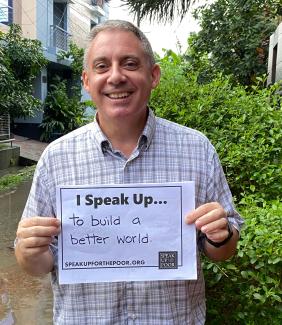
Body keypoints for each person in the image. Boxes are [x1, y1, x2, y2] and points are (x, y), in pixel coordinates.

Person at [15, 20, 243, 324]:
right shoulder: (56, 158)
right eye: (101, 66)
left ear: (153, 75)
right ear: (86, 81)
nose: (116, 76)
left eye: (130, 63)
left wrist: (220, 235)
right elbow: (40, 263)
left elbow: (224, 249)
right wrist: (28, 253)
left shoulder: (197, 149)